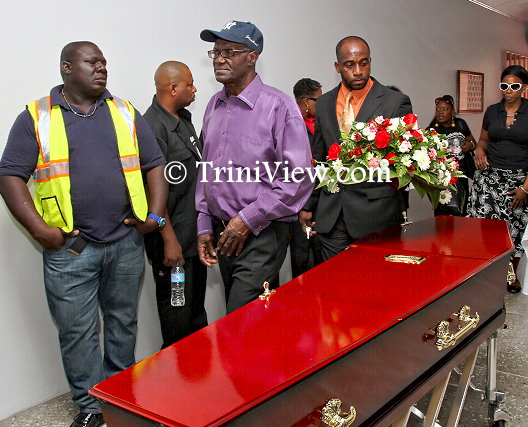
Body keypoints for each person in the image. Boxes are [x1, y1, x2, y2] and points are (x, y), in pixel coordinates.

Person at [0, 41, 167, 427]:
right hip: (71, 250)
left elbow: (155, 163)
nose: (102, 68)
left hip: (125, 242)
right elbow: (9, 174)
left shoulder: (124, 111)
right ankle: (91, 407)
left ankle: (120, 396)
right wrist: (41, 231)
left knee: (123, 320)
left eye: (104, 62)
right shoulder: (37, 116)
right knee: (78, 331)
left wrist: (155, 217)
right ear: (67, 68)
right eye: (92, 62)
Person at [196, 21, 313, 313]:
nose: (219, 59)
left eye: (229, 52)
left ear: (252, 57)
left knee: (240, 317)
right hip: (225, 233)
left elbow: (298, 179)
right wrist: (204, 224)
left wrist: (246, 220)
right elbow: (206, 169)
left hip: (263, 234)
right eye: (216, 52)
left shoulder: (279, 106)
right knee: (250, 319)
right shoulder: (214, 105)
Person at [300, 36, 413, 263]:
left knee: (373, 280)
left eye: (364, 63)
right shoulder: (324, 103)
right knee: (333, 280)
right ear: (337, 66)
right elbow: (319, 158)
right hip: (332, 215)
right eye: (349, 65)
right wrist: (308, 205)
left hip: (376, 215)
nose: (358, 71)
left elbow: (403, 159)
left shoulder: (394, 101)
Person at [143, 61, 207, 348]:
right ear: (172, 88)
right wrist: (169, 240)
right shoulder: (152, 127)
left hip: (192, 238)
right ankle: (177, 374)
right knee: (177, 322)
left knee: (196, 318)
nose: (194, 89)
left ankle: (198, 372)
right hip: (173, 246)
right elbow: (151, 192)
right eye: (189, 84)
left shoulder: (183, 120)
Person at [466, 65, 528, 294]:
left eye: (514, 86)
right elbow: (483, 140)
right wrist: (479, 150)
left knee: (515, 230)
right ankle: (490, 273)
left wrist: (525, 188)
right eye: (504, 86)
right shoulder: (492, 111)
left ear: (524, 87)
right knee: (490, 230)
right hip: (490, 179)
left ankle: (511, 274)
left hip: (520, 180)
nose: (508, 90)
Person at [290, 78, 322, 277]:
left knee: (322, 259)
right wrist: (304, 206)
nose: (323, 104)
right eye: (319, 100)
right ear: (306, 101)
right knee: (301, 260)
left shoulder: (321, 123)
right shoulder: (290, 125)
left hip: (320, 201)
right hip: (297, 204)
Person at [427, 95, 477, 216]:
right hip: (441, 179)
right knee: (442, 212)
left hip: (461, 176)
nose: (440, 112)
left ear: (452, 111)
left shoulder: (461, 124)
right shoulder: (432, 130)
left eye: (445, 109)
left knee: (461, 211)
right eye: (438, 109)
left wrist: (469, 145)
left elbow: (474, 143)